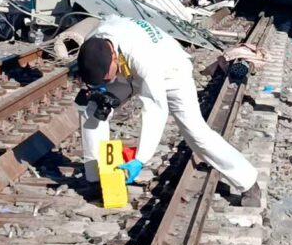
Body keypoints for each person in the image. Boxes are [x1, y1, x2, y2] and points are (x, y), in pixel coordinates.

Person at [76, 15, 261, 207]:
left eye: (107, 78)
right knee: (93, 109)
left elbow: (155, 109)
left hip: (171, 71)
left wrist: (141, 158)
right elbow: (92, 72)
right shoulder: (95, 41)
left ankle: (248, 182)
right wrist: (97, 91)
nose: (107, 82)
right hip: (128, 72)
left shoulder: (142, 58)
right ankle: (95, 180)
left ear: (114, 57)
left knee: (197, 134)